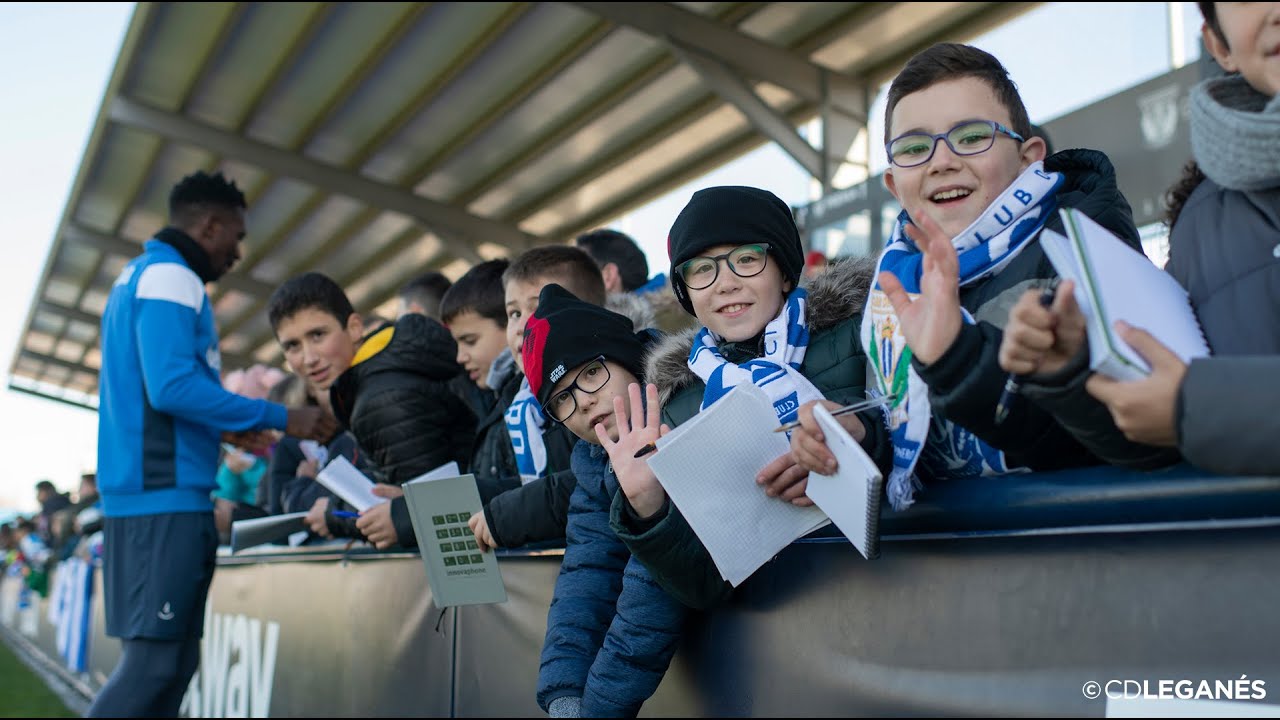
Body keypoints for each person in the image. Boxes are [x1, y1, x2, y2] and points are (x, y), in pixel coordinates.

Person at [786, 43, 1152, 507]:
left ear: (1028, 158)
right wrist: (861, 438)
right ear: (896, 186)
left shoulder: (1086, 254)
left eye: (973, 136)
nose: (941, 161)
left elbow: (1127, 438)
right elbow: (914, 430)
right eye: (915, 147)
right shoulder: (892, 285)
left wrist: (958, 358)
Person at [90, 170, 337, 718]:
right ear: (210, 225)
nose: (237, 252)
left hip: (155, 493)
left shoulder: (138, 275)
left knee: (172, 667)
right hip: (162, 497)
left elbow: (154, 394)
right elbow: (172, 386)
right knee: (154, 667)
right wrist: (282, 416)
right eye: (237, 236)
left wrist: (222, 428)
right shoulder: (171, 277)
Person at [606, 185, 888, 610]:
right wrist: (648, 508)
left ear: (785, 271)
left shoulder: (863, 331)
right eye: (701, 269)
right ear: (686, 292)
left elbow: (927, 451)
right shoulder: (677, 406)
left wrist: (860, 444)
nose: (726, 283)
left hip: (889, 597)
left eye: (747, 258)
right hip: (774, 638)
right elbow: (702, 585)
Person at [1067, 2, 1280, 474]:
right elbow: (1156, 445)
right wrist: (1068, 372)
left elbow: (1188, 407)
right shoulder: (1197, 223)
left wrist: (1199, 407)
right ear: (1220, 46)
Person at [520, 284, 684, 718]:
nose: (584, 401)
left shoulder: (686, 414)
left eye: (591, 373)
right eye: (562, 399)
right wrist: (564, 694)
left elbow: (652, 590)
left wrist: (598, 711)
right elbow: (587, 572)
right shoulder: (593, 458)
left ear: (625, 356)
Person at [268, 271, 477, 549]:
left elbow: (436, 516)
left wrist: (334, 517)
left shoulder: (380, 397)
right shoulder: (382, 370)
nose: (308, 358)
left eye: (318, 335)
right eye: (292, 346)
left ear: (354, 328)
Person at [466, 246, 606, 552]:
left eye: (540, 306)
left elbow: (604, 483)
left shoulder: (607, 389)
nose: (521, 327)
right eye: (514, 313)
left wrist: (510, 513)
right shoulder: (512, 406)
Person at [440, 260, 524, 503]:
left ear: (511, 323)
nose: (460, 356)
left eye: (470, 340)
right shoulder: (497, 400)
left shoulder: (534, 401)